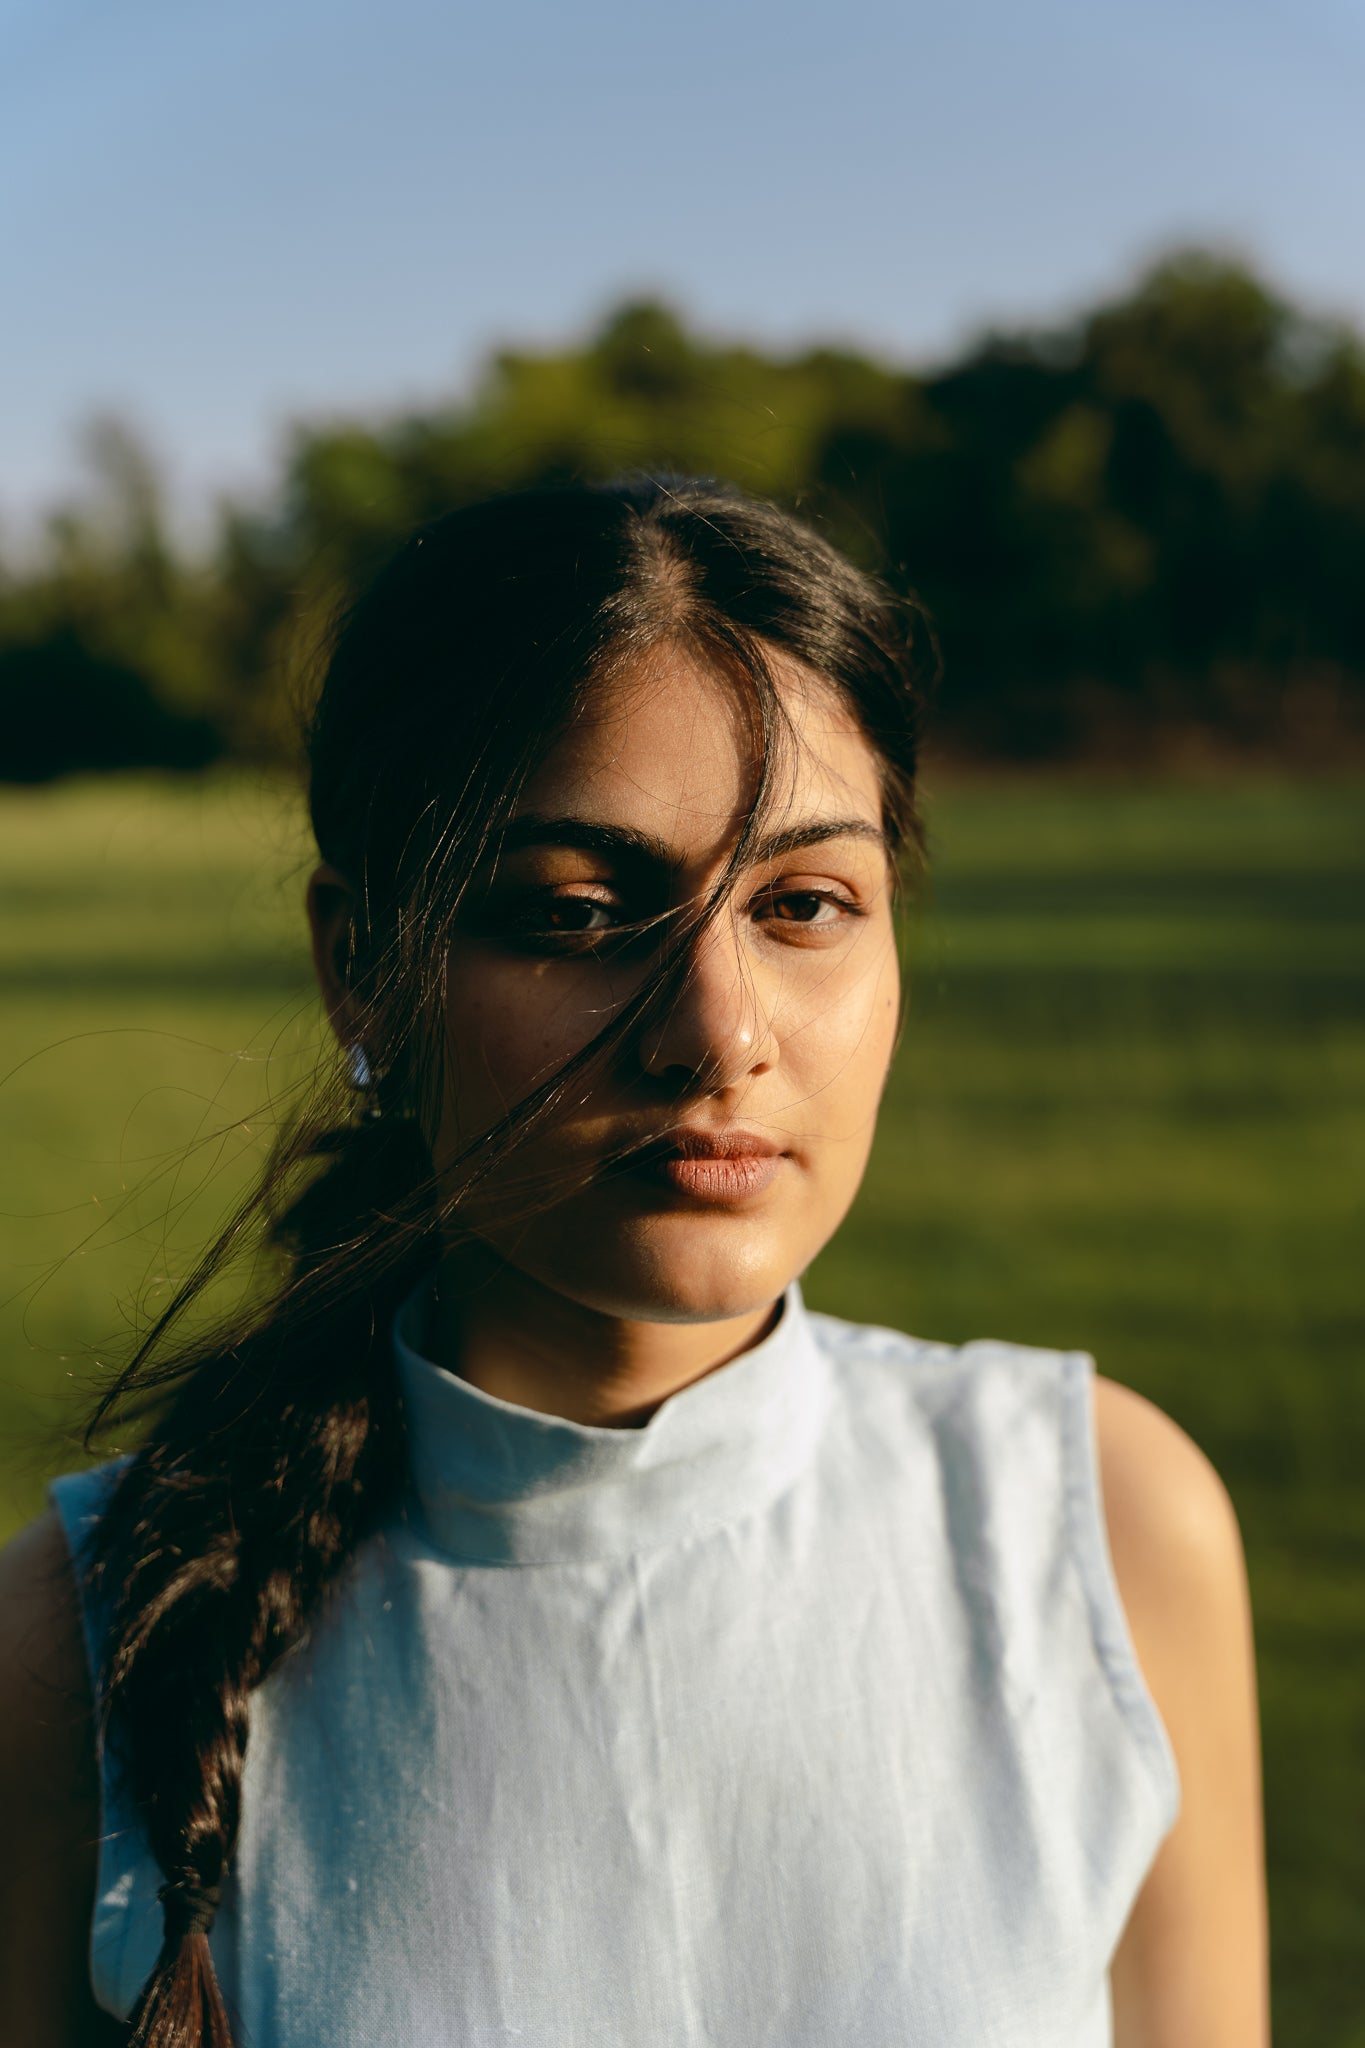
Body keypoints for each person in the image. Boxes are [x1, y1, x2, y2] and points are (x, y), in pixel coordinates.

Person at [0, 480, 1267, 2046]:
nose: (718, 1033)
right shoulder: (75, 1638)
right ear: (363, 971)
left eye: (804, 905)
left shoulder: (1098, 1529)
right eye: (579, 913)